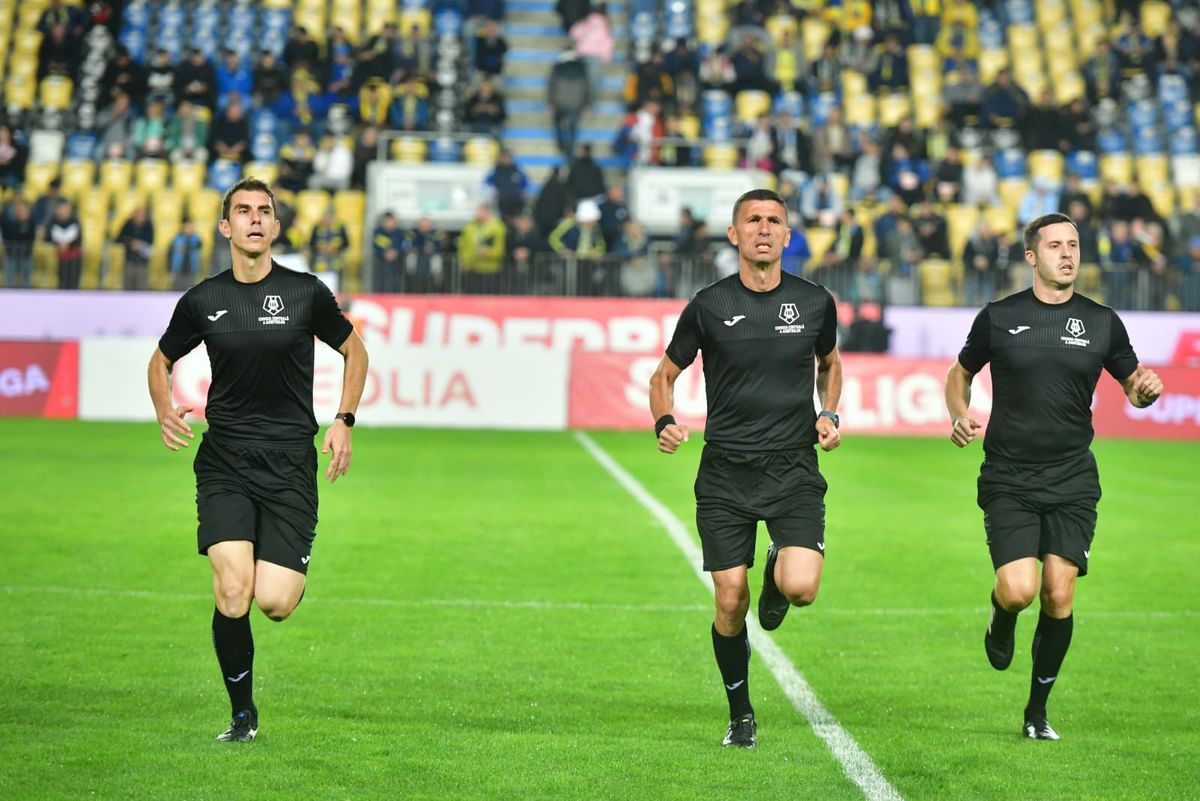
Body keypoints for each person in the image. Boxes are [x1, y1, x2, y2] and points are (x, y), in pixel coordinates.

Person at [146, 177, 368, 743]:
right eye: (243, 211)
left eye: (264, 211)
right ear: (226, 226)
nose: (254, 219)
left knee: (274, 602)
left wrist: (344, 420)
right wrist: (163, 407)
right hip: (225, 461)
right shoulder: (203, 300)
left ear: (275, 226)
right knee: (232, 591)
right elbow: (161, 359)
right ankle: (242, 715)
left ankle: (285, 566)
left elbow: (355, 350)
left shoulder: (305, 292)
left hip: (290, 464)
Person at [944, 212, 1164, 742]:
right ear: (1031, 256)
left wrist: (1145, 391)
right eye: (1055, 246)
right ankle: (1000, 615)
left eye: (1073, 245)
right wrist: (958, 413)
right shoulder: (1000, 317)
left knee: (1059, 595)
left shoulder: (1101, 322)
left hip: (1072, 478)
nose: (1067, 254)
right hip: (1009, 476)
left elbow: (1132, 384)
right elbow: (960, 372)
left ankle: (1036, 712)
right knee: (1019, 590)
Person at [649, 189, 843, 749]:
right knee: (731, 600)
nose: (764, 228)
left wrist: (829, 412)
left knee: (801, 588)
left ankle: (779, 565)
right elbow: (663, 376)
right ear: (734, 234)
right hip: (725, 473)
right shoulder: (708, 305)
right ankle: (740, 714)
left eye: (774, 220)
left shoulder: (814, 302)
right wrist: (664, 420)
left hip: (793, 469)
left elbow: (830, 364)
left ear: (787, 235)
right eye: (753, 220)